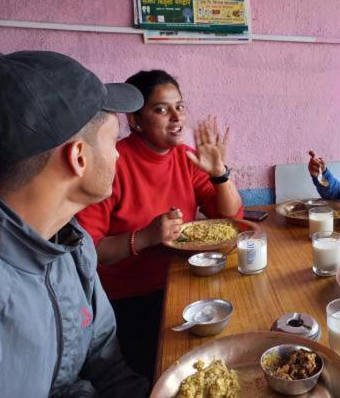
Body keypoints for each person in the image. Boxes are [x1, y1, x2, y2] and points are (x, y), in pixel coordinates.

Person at [77, 69, 243, 382]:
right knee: (162, 375)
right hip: (130, 299)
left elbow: (230, 216)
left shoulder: (185, 157)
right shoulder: (112, 162)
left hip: (186, 280)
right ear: (135, 121)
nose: (176, 117)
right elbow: (89, 251)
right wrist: (145, 237)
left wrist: (220, 173)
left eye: (179, 106)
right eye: (161, 109)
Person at [0, 51, 148, 397]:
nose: (118, 154)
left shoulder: (71, 245)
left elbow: (106, 362)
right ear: (78, 157)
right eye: (113, 141)